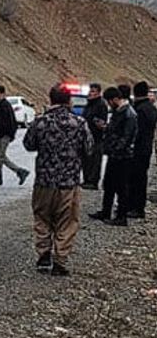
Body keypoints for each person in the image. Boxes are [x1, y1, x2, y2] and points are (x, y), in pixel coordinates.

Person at [23, 85, 93, 277]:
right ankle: (60, 260)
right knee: (67, 222)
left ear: (51, 99)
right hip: (68, 182)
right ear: (69, 101)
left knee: (42, 217)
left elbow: (28, 144)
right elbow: (89, 148)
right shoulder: (79, 122)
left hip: (44, 181)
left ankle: (44, 254)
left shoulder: (40, 122)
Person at [89, 87, 138, 226]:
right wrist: (106, 128)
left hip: (122, 156)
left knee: (121, 187)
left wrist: (116, 148)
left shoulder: (129, 114)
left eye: (109, 102)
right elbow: (116, 131)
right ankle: (106, 211)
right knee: (109, 184)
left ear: (115, 99)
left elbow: (127, 137)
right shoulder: (120, 111)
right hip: (115, 154)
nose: (109, 105)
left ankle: (121, 216)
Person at [0, 85, 30, 186]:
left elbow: (4, 123)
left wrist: (1, 134)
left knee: (0, 156)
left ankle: (20, 171)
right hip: (4, 135)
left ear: (0, 93)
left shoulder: (4, 106)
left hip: (4, 135)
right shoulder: (4, 104)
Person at [128, 81, 157, 218]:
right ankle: (138, 207)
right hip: (146, 148)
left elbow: (136, 131)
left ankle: (135, 208)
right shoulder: (151, 108)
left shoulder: (139, 109)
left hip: (137, 149)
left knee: (135, 179)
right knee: (141, 178)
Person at [81, 83, 108, 190]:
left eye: (93, 91)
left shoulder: (101, 105)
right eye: (90, 91)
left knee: (94, 160)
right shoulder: (89, 104)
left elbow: (101, 122)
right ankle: (87, 179)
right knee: (86, 160)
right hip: (87, 137)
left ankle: (93, 181)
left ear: (98, 93)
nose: (90, 93)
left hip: (96, 137)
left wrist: (96, 123)